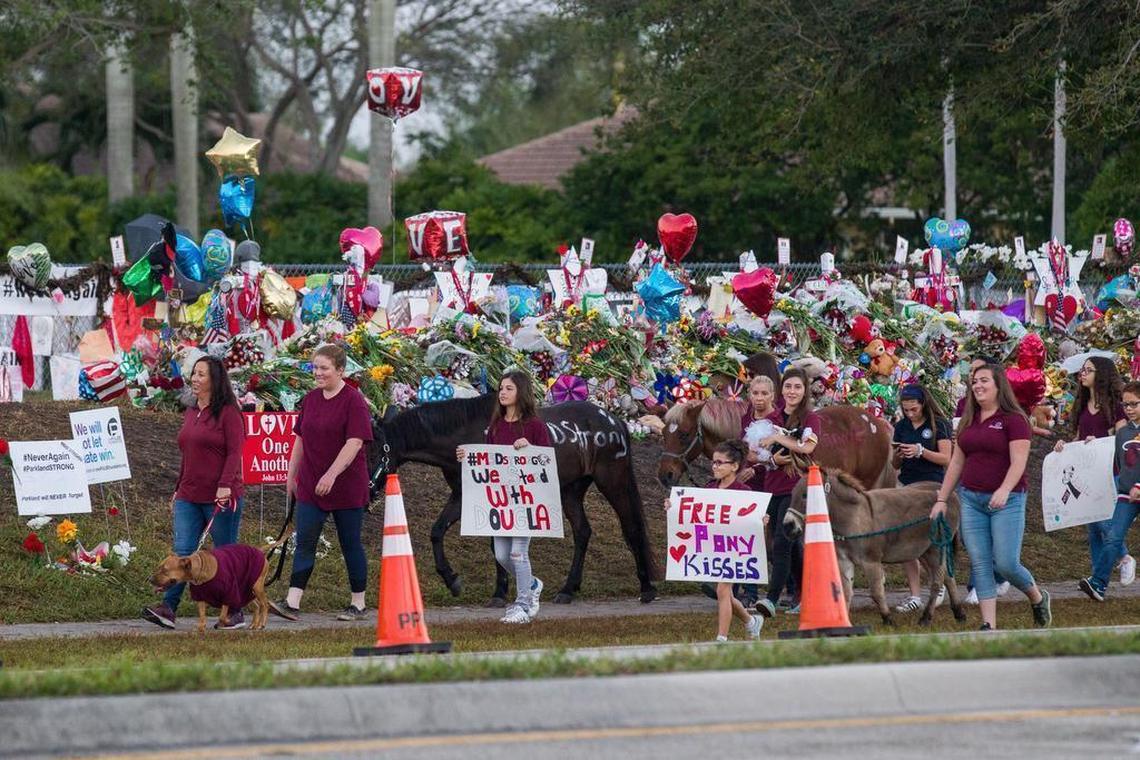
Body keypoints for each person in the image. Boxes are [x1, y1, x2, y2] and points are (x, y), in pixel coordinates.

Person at [933, 364, 1051, 631]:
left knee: (1007, 563)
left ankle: (1036, 595)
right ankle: (989, 625)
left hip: (1007, 501)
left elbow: (1019, 462)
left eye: (984, 380)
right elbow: (956, 464)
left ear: (999, 385)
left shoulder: (1014, 420)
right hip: (971, 500)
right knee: (980, 561)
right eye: (974, 382)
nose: (977, 386)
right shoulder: (968, 421)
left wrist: (1004, 489)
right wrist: (942, 499)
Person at [270, 344, 374, 622]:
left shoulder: (353, 401)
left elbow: (355, 442)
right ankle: (293, 600)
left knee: (350, 542)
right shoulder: (311, 399)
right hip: (311, 483)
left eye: (324, 368)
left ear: (340, 370)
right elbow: (300, 439)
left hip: (346, 485)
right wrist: (291, 475)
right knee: (304, 541)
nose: (318, 373)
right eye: (315, 367)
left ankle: (358, 603)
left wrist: (332, 474)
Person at [143, 356, 245, 630]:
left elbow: (235, 453)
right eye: (194, 374)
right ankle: (168, 607)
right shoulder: (191, 410)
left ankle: (234, 610)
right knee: (183, 552)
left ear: (215, 380)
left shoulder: (229, 413)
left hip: (220, 496)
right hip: (189, 494)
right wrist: (178, 489)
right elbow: (188, 454)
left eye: (201, 374)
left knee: (224, 554)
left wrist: (225, 485)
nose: (195, 379)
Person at [456, 370, 549, 624]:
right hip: (501, 500)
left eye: (509, 388)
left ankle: (522, 605)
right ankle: (531, 584)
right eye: (501, 388)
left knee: (519, 552)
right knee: (501, 555)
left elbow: (546, 461)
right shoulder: (496, 426)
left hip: (525, 499)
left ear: (521, 392)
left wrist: (528, 449)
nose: (503, 393)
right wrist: (469, 457)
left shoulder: (535, 426)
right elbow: (488, 460)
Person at [665, 439, 763, 642]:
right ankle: (751, 621)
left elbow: (753, 522)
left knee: (722, 589)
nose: (715, 466)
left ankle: (722, 638)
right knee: (725, 594)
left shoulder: (744, 492)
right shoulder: (709, 488)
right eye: (714, 462)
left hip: (734, 549)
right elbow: (693, 512)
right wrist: (673, 507)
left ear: (734, 466)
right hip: (713, 547)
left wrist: (762, 520)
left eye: (720, 462)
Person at [1055, 356, 1134, 586]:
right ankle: (1098, 580)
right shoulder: (1081, 406)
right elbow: (1078, 439)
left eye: (1088, 370)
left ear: (1101, 374)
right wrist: (1064, 446)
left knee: (1102, 520)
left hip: (1110, 472)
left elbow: (1121, 439)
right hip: (1087, 472)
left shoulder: (1116, 406)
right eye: (1082, 370)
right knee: (1093, 528)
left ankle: (1124, 557)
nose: (1083, 374)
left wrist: (1099, 439)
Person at [754, 367, 821, 619]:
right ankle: (808, 594)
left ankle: (771, 600)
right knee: (788, 547)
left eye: (797, 387)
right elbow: (762, 454)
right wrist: (773, 458)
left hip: (796, 490)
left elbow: (806, 447)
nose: (792, 392)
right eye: (788, 387)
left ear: (804, 391)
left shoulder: (811, 419)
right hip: (772, 487)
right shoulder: (774, 417)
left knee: (782, 542)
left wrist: (777, 439)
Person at [891, 384, 952, 613]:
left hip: (931, 486)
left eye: (914, 409)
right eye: (906, 410)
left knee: (930, 541)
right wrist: (898, 455)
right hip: (907, 485)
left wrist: (921, 451)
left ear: (923, 404)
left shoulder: (939, 424)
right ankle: (914, 594)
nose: (910, 413)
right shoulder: (901, 426)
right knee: (906, 542)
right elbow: (894, 465)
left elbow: (947, 458)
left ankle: (938, 584)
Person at [1079, 381, 1140, 601]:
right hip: (1125, 495)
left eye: (1134, 404)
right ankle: (1098, 584)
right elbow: (1113, 458)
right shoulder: (1123, 432)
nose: (1129, 409)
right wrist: (1095, 444)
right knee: (1113, 537)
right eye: (1125, 405)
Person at [956, 355, 1010, 603]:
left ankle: (994, 580)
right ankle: (981, 585)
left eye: (981, 375)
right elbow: (959, 452)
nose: (974, 380)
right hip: (969, 484)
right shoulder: (964, 407)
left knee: (999, 546)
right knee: (972, 540)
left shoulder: (1007, 413)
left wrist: (1006, 488)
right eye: (972, 375)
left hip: (999, 488)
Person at [736, 374, 776, 606]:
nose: (759, 398)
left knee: (777, 538)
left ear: (772, 395)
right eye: (755, 393)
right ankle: (750, 591)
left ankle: (790, 587)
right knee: (750, 536)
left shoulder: (778, 419)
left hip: (773, 482)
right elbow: (745, 450)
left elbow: (779, 453)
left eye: (764, 393)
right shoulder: (745, 419)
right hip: (750, 486)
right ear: (749, 395)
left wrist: (759, 466)